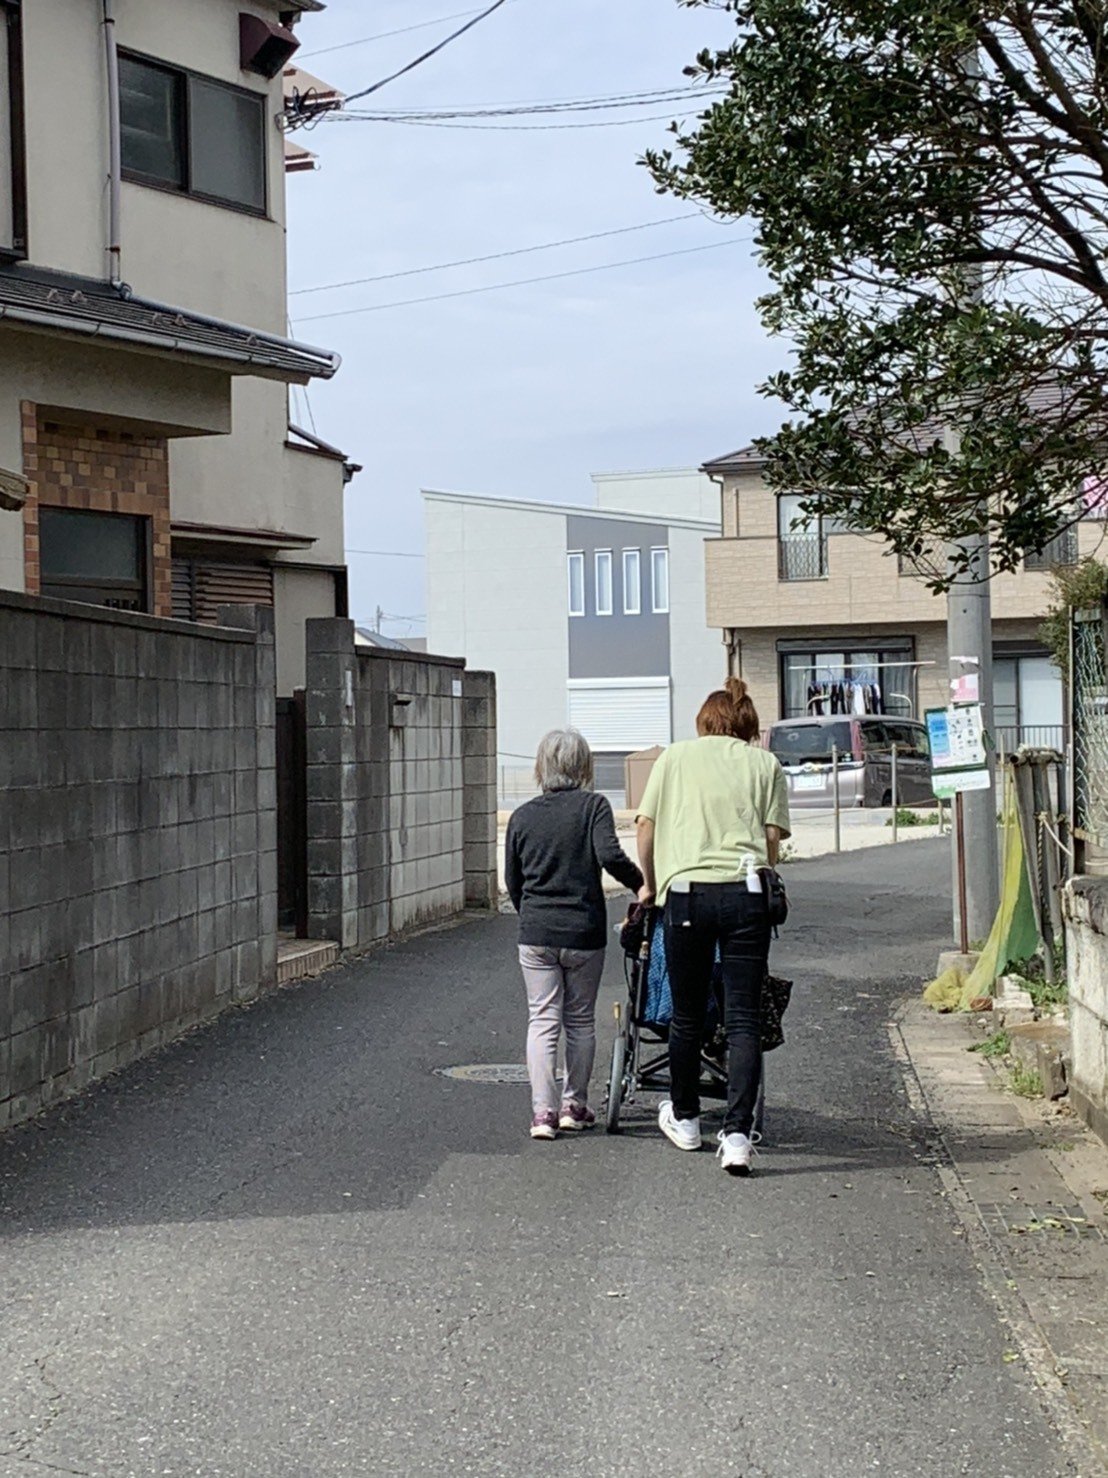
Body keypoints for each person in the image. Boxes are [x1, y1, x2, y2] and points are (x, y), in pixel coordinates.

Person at [635, 678, 790, 1176]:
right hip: (746, 895)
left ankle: (685, 1119)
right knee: (742, 1016)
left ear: (704, 721)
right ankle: (739, 1136)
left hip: (685, 894)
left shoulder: (674, 758)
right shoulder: (765, 764)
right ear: (746, 725)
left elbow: (645, 827)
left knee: (686, 1014)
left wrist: (650, 885)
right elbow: (771, 840)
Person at [506, 729, 643, 1140]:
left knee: (542, 1020)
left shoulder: (522, 815)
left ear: (541, 767)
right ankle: (574, 1105)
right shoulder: (593, 807)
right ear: (584, 767)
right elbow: (610, 856)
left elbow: (513, 880)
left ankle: (542, 1114)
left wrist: (530, 913)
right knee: (580, 1019)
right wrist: (642, 885)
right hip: (583, 930)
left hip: (536, 932)